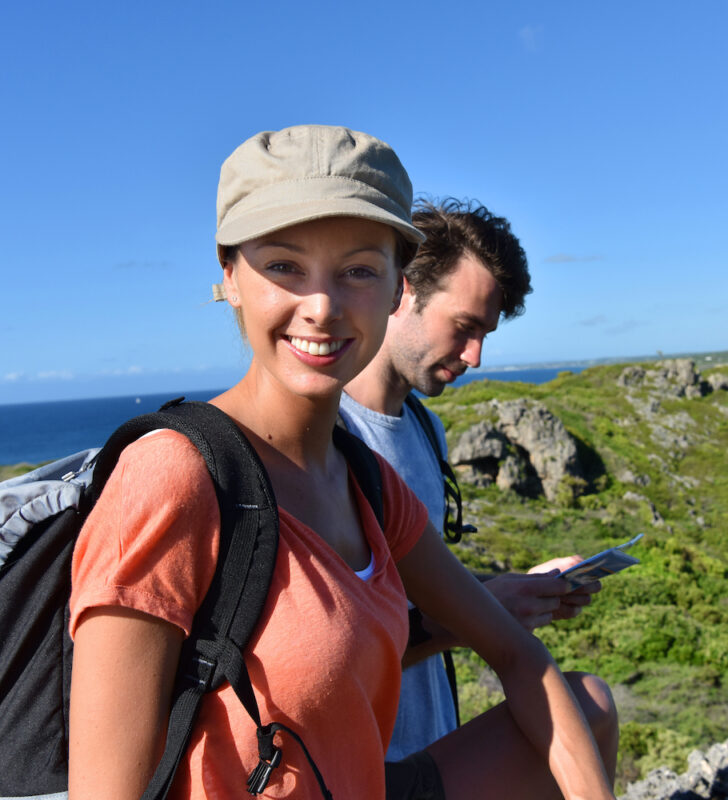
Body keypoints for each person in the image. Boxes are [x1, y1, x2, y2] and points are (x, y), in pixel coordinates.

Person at [67, 126, 618, 800]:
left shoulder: (369, 482)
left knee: (588, 704)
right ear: (230, 277)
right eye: (283, 266)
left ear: (395, 291)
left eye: (358, 269)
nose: (322, 307)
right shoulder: (173, 476)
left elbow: (516, 653)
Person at [341, 197, 618, 768]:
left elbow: (420, 596)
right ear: (402, 292)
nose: (475, 356)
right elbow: (334, 653)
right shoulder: (326, 441)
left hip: (433, 745)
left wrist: (515, 591)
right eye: (464, 328)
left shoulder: (426, 430)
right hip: (364, 765)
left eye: (484, 334)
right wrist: (483, 614)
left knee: (589, 707)